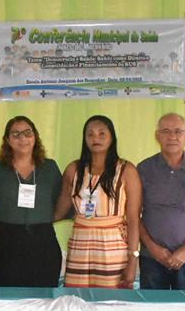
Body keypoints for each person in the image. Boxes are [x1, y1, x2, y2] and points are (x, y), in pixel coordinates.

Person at [55, 115, 142, 289]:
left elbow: (133, 219)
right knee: (78, 302)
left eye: (102, 134)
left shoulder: (126, 170)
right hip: (80, 245)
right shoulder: (73, 170)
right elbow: (60, 210)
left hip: (114, 249)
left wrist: (133, 259)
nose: (96, 138)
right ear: (84, 139)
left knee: (111, 304)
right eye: (90, 134)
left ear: (112, 138)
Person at [137, 113, 185, 290]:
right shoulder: (144, 168)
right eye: (166, 131)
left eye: (178, 131)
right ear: (157, 136)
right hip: (152, 259)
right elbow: (133, 215)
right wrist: (152, 248)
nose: (172, 136)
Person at [0, 116, 63, 287]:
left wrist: (42, 219)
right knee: (6, 303)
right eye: (16, 134)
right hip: (4, 243)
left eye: (28, 133)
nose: (22, 138)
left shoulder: (49, 167)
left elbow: (62, 202)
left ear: (35, 136)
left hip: (43, 243)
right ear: (7, 140)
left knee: (42, 303)